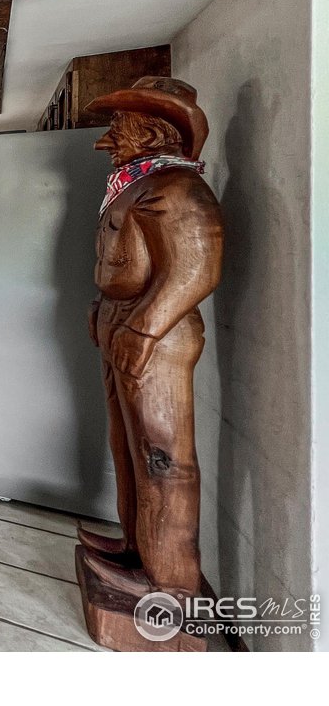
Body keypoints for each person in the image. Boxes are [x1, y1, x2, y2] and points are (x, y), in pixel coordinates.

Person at [81, 77, 222, 606]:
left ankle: (171, 579)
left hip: (155, 330)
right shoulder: (133, 187)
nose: (109, 136)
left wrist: (141, 326)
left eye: (121, 125)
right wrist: (104, 307)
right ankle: (135, 549)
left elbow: (196, 268)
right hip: (122, 319)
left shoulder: (176, 189)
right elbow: (126, 261)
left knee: (162, 452)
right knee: (127, 442)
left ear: (154, 131)